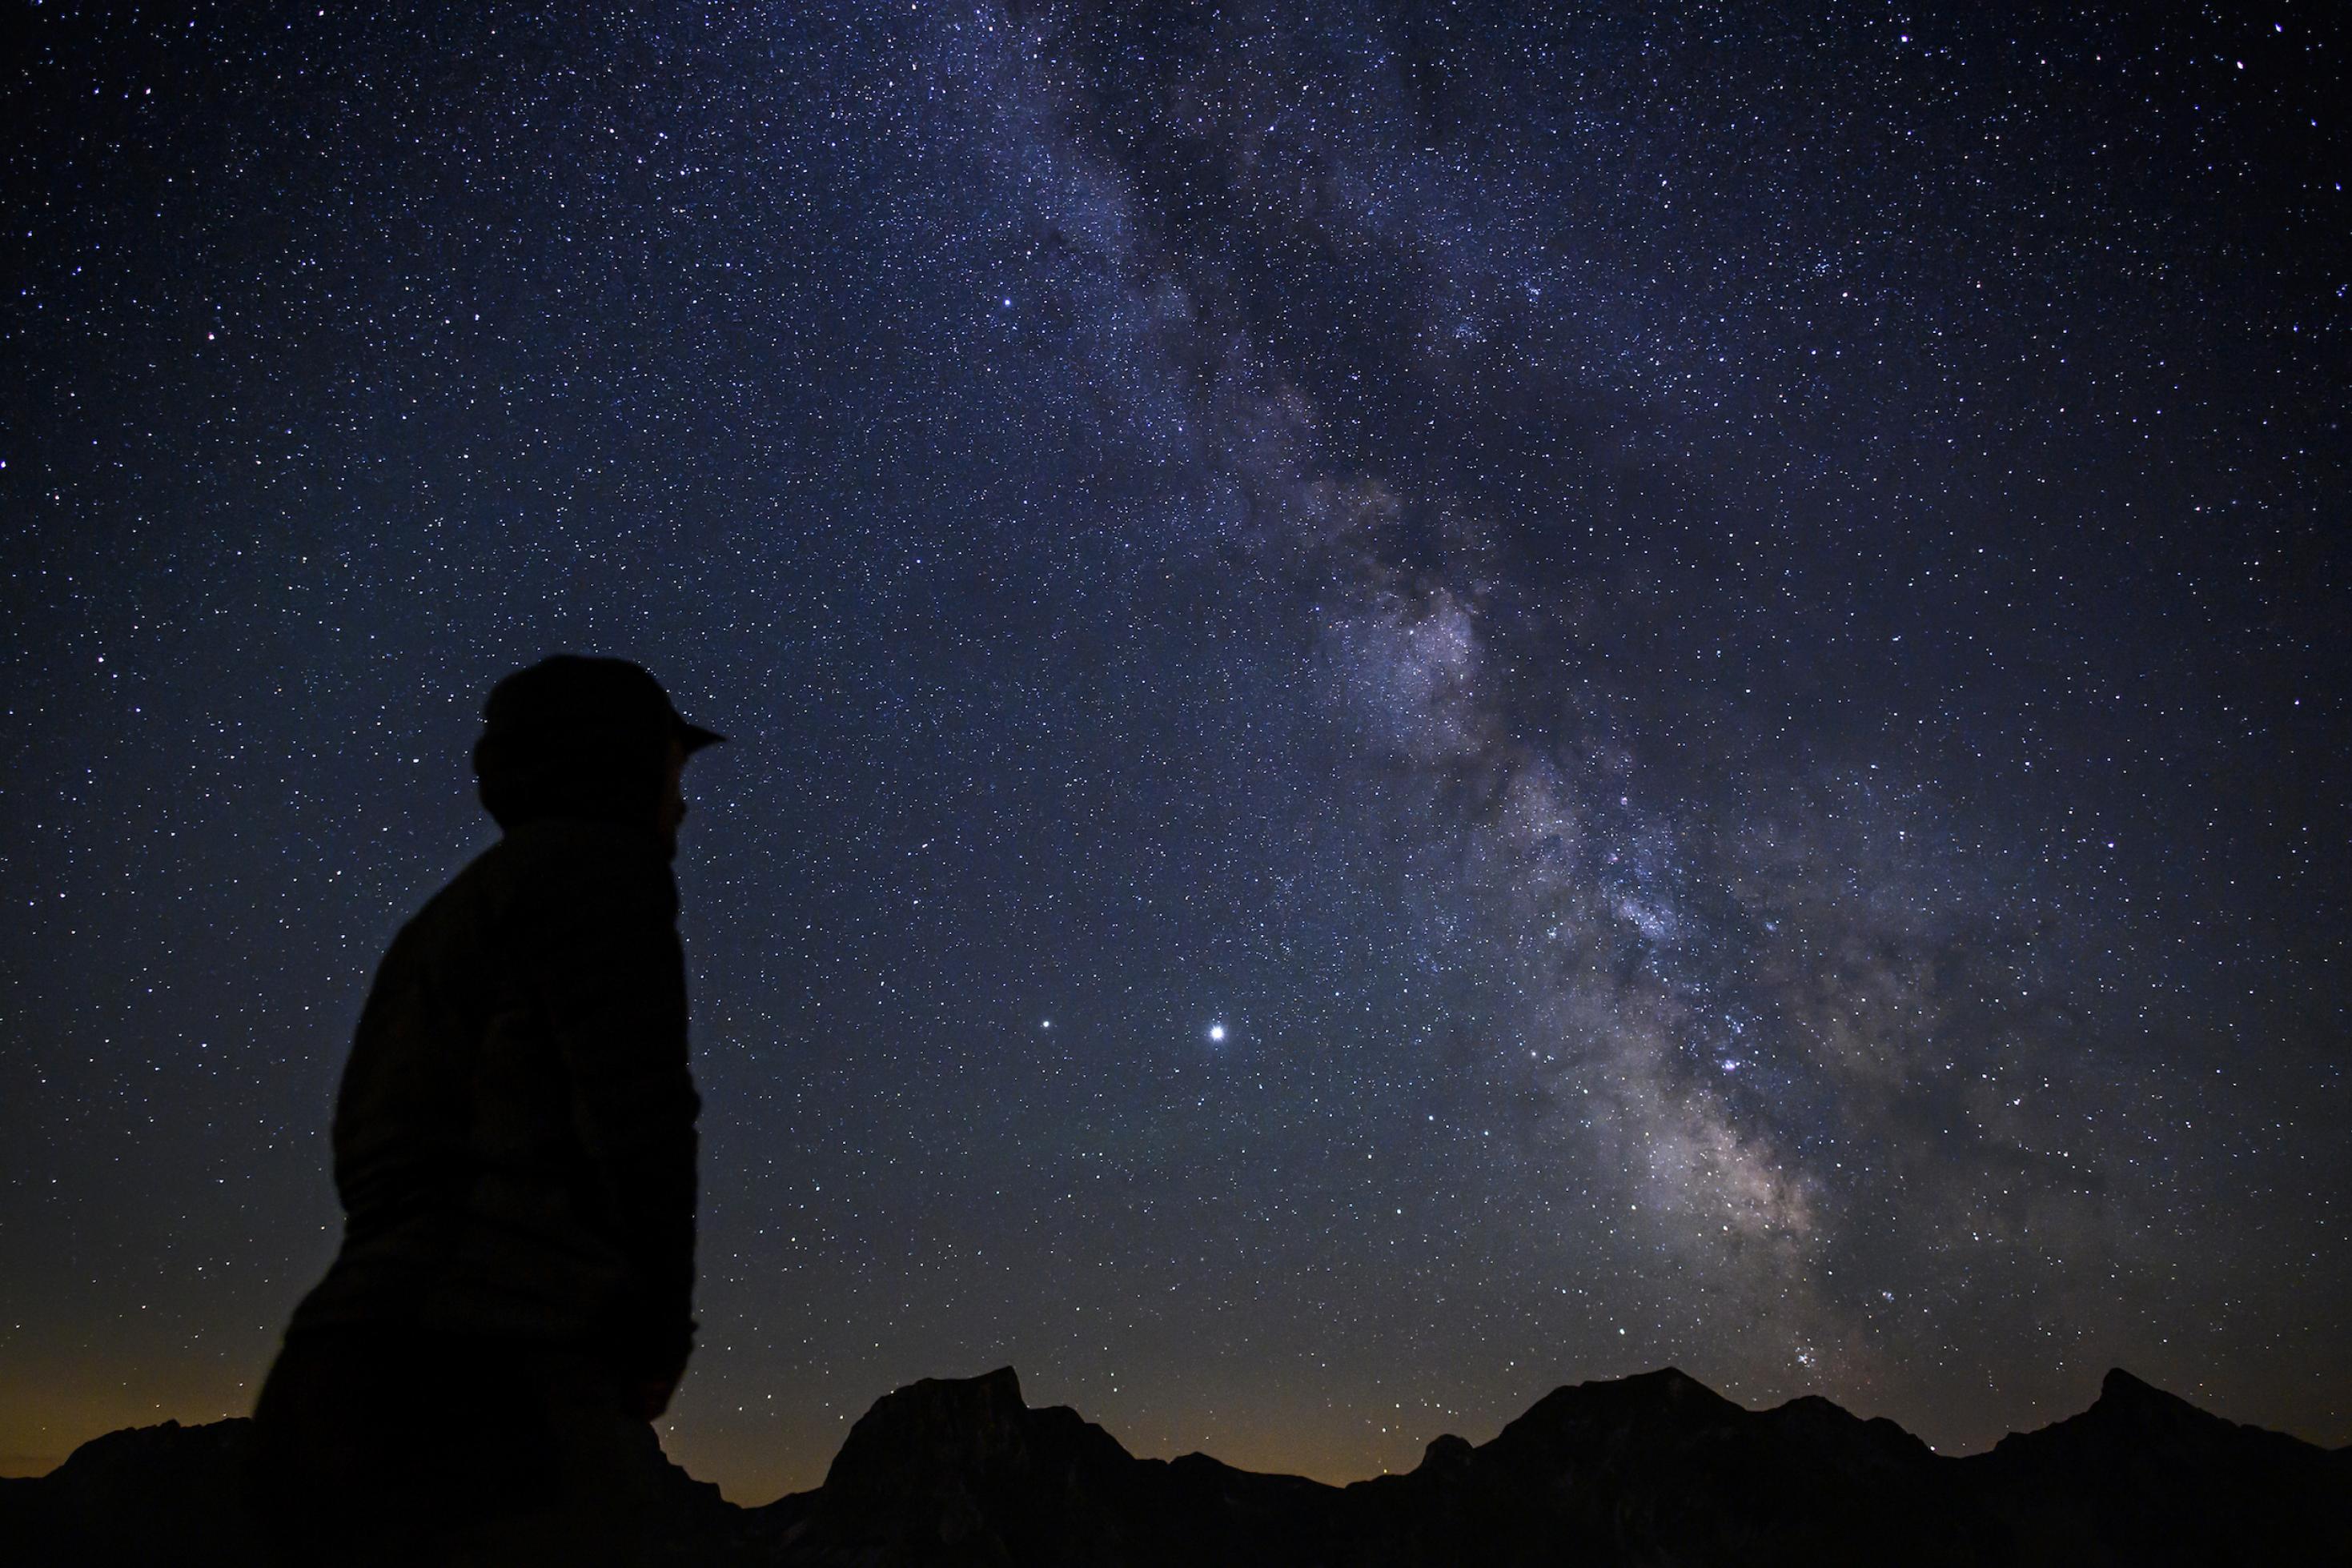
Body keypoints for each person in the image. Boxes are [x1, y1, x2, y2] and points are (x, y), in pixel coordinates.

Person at [249, 656, 723, 1566]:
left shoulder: (449, 919)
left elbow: (369, 1154)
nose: (683, 803)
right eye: (673, 771)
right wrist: (657, 1334)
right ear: (623, 766)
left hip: (336, 1372)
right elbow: (643, 1116)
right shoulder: (602, 873)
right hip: (493, 1392)